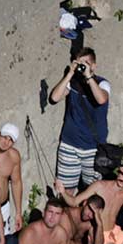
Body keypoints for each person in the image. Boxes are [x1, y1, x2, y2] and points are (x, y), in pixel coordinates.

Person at [49, 48, 111, 192]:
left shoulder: (103, 83)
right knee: (66, 191)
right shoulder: (73, 83)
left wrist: (89, 77)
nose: (83, 67)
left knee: (93, 191)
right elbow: (54, 97)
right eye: (80, 63)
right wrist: (70, 73)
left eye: (86, 63)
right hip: (70, 145)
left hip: (93, 148)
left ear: (94, 65)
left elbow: (101, 99)